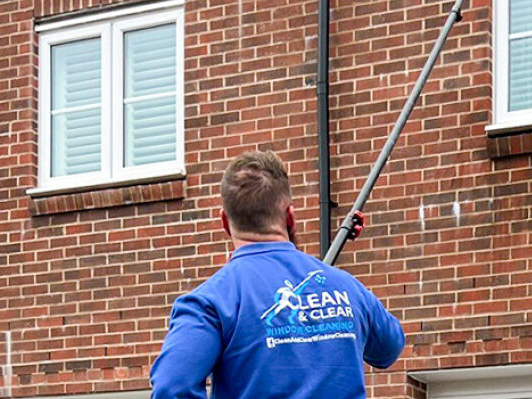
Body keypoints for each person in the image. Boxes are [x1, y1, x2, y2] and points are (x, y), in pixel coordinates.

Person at [151, 151, 405, 399]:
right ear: (290, 217)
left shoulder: (210, 302)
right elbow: (389, 347)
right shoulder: (347, 288)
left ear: (225, 223)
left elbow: (171, 387)